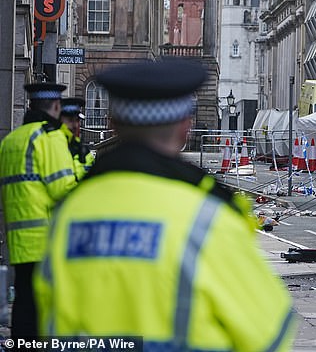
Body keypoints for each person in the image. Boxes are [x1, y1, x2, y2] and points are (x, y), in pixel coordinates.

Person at [34, 59, 296, 350]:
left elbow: (47, 317)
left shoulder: (68, 214)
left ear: (113, 124)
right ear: (185, 127)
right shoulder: (208, 219)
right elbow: (271, 334)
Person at [0, 83, 78, 338]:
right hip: (46, 239)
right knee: (46, 308)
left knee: (24, 304)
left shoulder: (11, 140)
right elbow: (62, 190)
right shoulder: (50, 137)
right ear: (56, 107)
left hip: (18, 239)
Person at [60, 97, 94, 180]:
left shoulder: (85, 152)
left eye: (77, 120)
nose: (75, 125)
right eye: (70, 120)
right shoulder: (51, 145)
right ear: (59, 120)